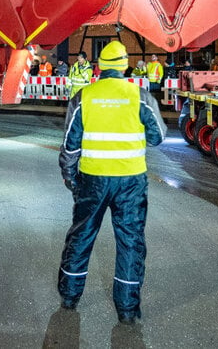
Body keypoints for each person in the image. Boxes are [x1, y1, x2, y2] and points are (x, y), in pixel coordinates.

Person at [57, 40, 166, 324]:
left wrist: (70, 178)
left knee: (81, 236)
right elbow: (158, 137)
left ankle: (69, 296)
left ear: (100, 67)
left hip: (92, 180)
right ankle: (127, 309)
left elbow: (70, 145)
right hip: (130, 181)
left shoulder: (84, 96)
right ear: (124, 65)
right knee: (130, 241)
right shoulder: (139, 96)